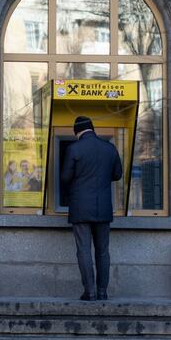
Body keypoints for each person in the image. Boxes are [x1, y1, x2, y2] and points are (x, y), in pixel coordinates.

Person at [60, 116, 122, 301]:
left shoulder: (74, 148)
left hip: (80, 207)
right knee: (103, 251)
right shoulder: (109, 148)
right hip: (103, 207)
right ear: (92, 129)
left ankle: (90, 292)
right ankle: (103, 291)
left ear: (77, 131)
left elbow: (64, 177)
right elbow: (117, 174)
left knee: (84, 250)